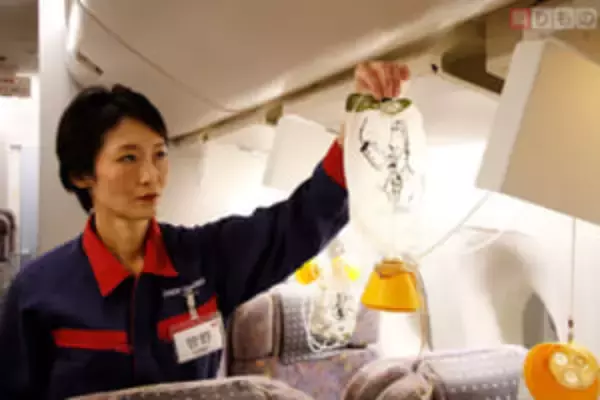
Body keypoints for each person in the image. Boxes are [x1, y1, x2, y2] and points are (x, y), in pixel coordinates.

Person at [0, 61, 409, 399]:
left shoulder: (204, 259)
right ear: (82, 175)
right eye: (128, 158)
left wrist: (360, 127)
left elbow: (298, 222)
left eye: (159, 155)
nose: (151, 175)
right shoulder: (37, 292)